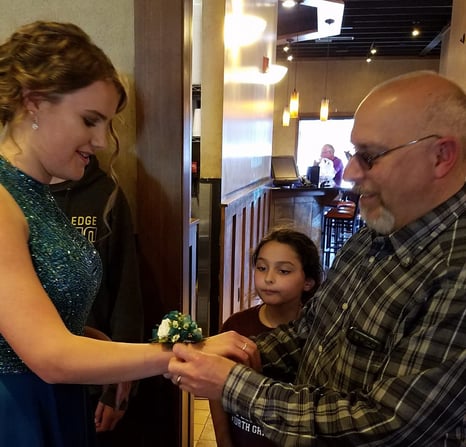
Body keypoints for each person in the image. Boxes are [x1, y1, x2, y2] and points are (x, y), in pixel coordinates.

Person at [167, 71, 466, 446]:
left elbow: (387, 423)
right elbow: (312, 332)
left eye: (370, 156)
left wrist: (232, 383)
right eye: (353, 154)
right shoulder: (375, 233)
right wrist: (245, 349)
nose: (352, 172)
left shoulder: (456, 268)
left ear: (442, 156)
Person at [0, 21, 254, 446]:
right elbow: (47, 356)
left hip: (55, 399)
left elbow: (39, 317)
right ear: (34, 103)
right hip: (17, 411)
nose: (102, 140)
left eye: (107, 123)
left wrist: (109, 352)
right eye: (90, 120)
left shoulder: (38, 195)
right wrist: (180, 354)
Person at [50, 155, 144, 443]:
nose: (99, 140)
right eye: (88, 120)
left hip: (92, 377)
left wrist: (119, 383)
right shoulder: (13, 194)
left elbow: (126, 296)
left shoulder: (106, 193)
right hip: (26, 378)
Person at [210, 228, 322, 447]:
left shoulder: (315, 331)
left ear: (308, 281)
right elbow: (216, 388)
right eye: (262, 268)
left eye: (283, 271)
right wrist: (223, 440)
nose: (268, 278)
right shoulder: (235, 326)